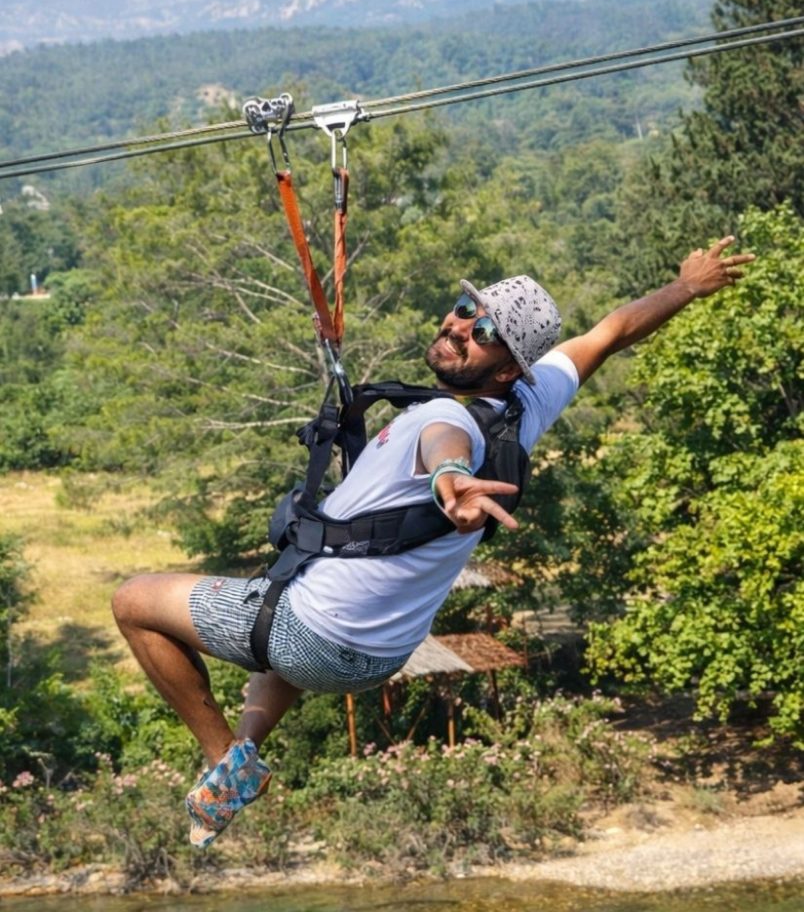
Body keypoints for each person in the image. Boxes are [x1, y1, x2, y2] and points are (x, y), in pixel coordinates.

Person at [112, 235, 754, 847]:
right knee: (279, 639)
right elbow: (610, 332)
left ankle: (225, 757)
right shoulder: (526, 406)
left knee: (135, 602)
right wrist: (686, 287)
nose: (459, 326)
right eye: (467, 309)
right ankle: (246, 749)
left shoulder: (447, 419)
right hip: (377, 655)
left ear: (506, 370)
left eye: (484, 334)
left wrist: (452, 478)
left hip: (314, 636)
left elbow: (442, 446)